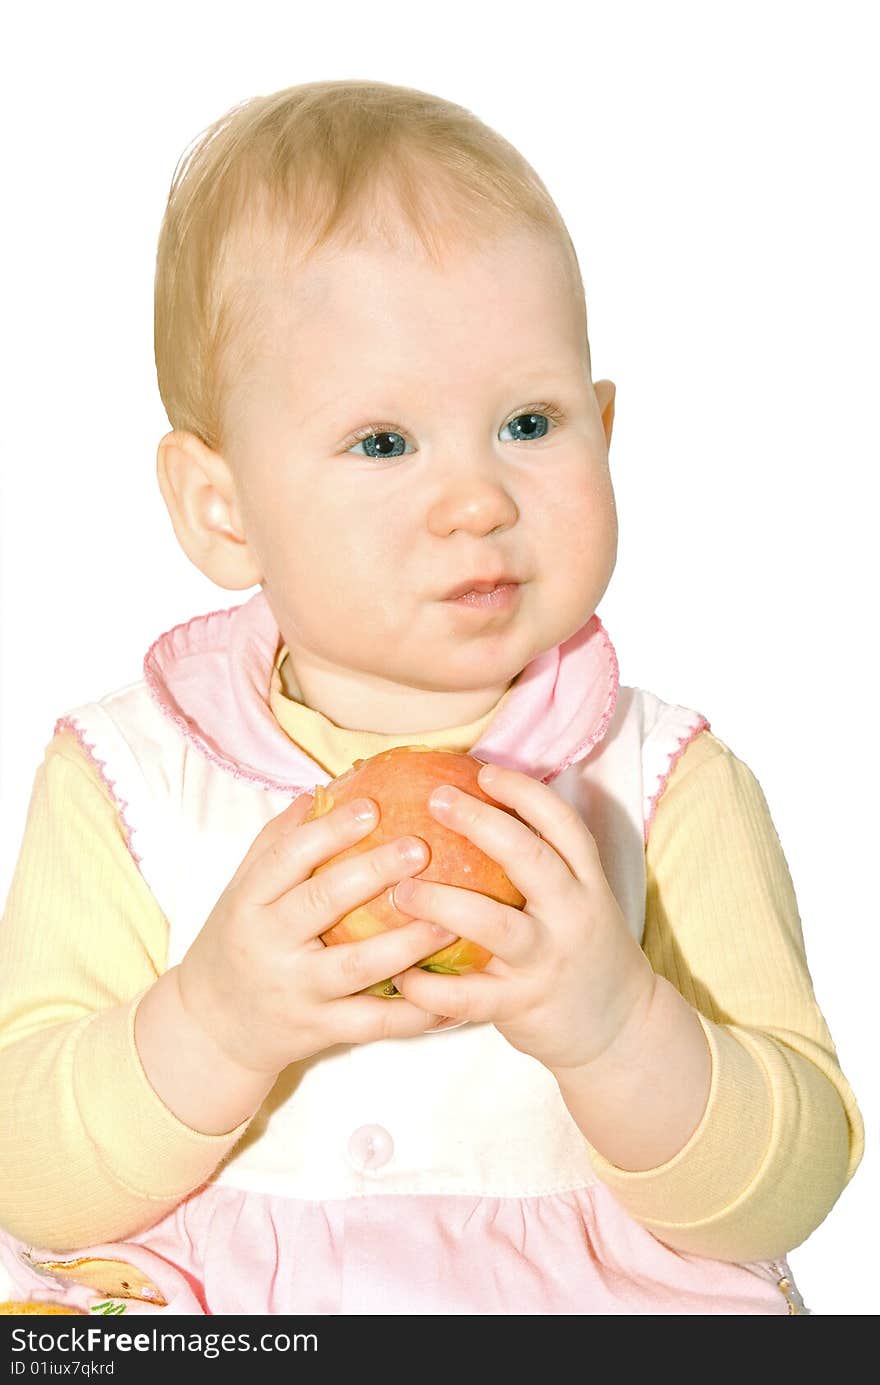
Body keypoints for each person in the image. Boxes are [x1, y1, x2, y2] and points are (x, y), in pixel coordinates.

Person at [0, 78, 863, 1316]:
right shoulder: (128, 776)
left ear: (604, 429)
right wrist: (216, 1023)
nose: (479, 499)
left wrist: (617, 1029)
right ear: (220, 505)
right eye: (384, 441)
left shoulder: (661, 783)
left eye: (527, 421)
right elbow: (27, 1176)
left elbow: (793, 1187)